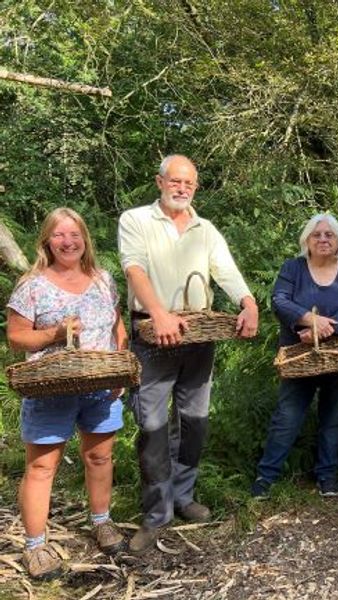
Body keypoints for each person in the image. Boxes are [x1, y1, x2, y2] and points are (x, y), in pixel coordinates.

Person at [118, 154, 259, 553]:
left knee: (195, 421)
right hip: (153, 334)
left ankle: (183, 497)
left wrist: (248, 302)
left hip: (199, 334)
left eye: (189, 184)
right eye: (175, 181)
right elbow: (134, 268)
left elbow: (225, 269)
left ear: (195, 188)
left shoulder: (205, 228)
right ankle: (155, 514)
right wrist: (159, 313)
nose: (182, 189)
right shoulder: (136, 220)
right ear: (159, 182)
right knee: (153, 426)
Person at [7, 208, 127, 579]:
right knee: (42, 466)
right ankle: (35, 545)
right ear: (47, 240)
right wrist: (55, 334)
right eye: (59, 235)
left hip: (101, 386)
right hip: (50, 388)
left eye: (74, 234)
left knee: (99, 458)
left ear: (85, 239)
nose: (68, 241)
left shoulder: (103, 279)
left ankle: (101, 521)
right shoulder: (32, 285)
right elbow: (15, 338)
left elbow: (117, 322)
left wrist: (121, 362)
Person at [251, 213, 338, 498]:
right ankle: (265, 479)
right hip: (299, 360)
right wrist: (309, 320)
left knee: (333, 419)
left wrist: (324, 329)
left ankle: (326, 477)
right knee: (286, 418)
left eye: (329, 234)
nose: (323, 239)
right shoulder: (293, 268)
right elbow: (279, 301)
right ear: (307, 240)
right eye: (317, 234)